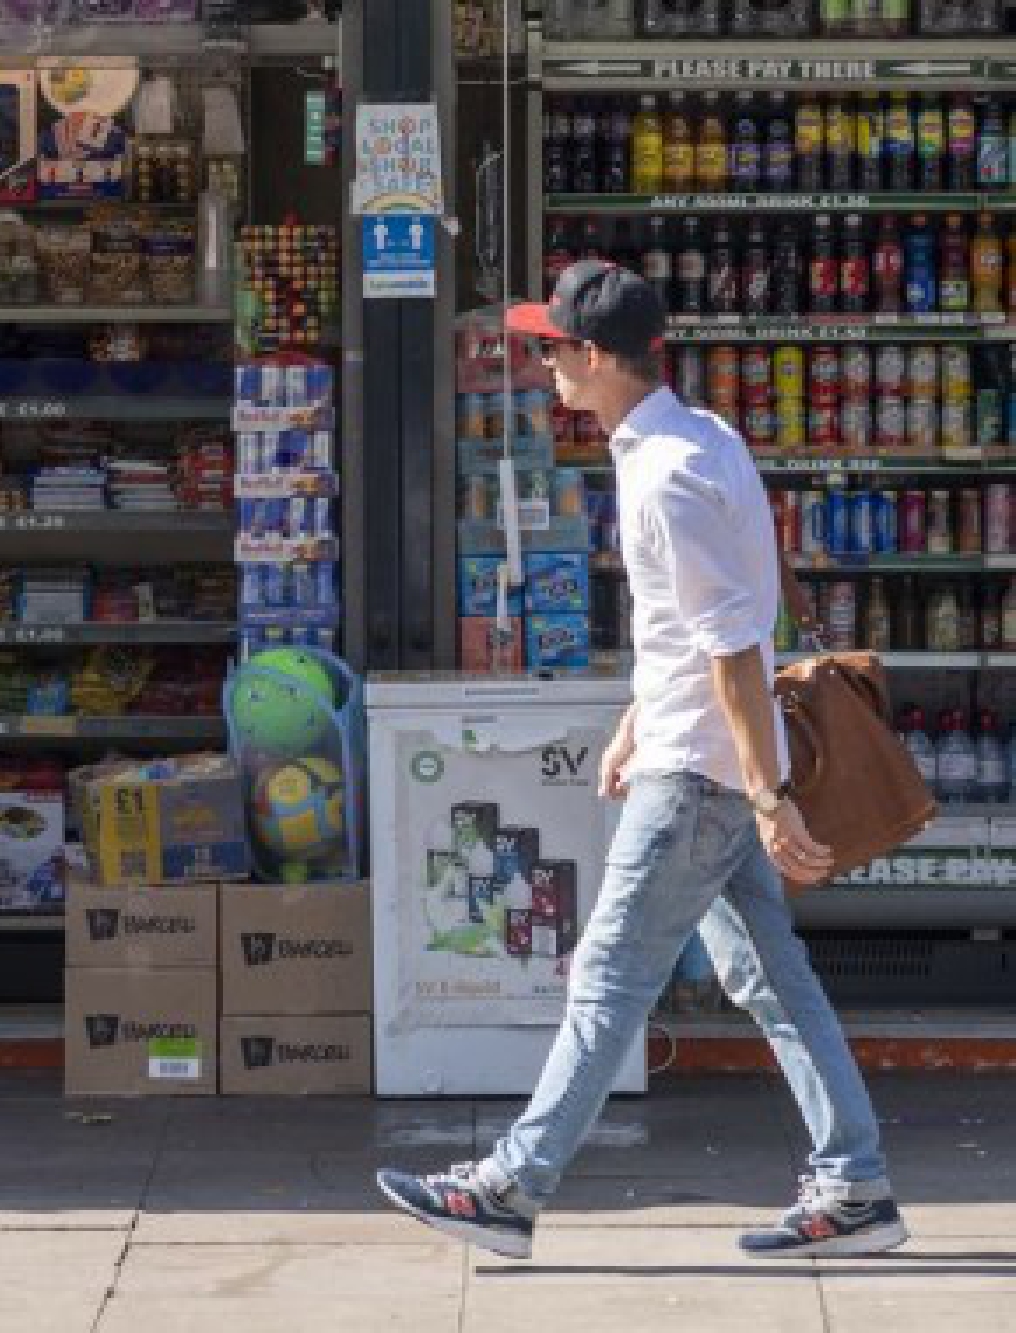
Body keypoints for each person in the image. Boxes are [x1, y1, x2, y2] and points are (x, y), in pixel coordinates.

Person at [377, 261, 906, 1260]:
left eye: (551, 349)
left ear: (592, 356)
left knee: (607, 983)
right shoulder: (701, 438)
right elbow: (717, 618)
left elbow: (733, 645)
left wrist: (765, 791)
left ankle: (508, 1187)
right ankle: (854, 1184)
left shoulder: (662, 475)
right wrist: (635, 717)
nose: (541, 367)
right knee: (771, 979)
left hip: (699, 777)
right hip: (694, 752)